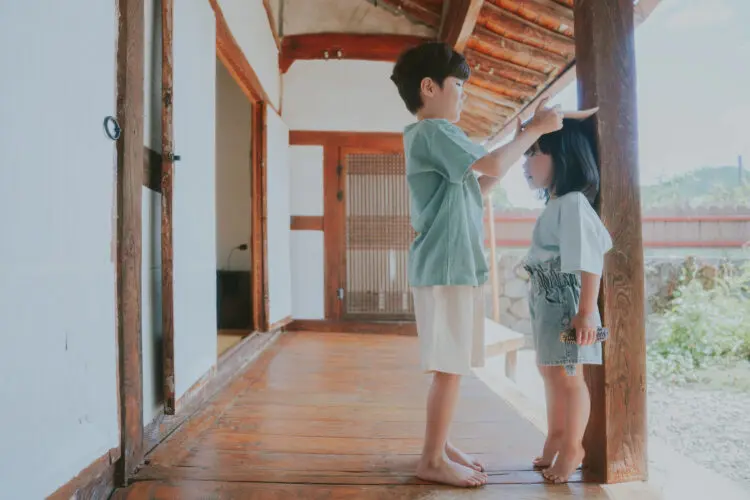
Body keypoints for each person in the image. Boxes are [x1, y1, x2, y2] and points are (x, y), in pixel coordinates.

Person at [390, 41, 563, 488]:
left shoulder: (429, 138)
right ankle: (431, 459)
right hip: (447, 267)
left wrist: (523, 136)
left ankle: (441, 445)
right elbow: (492, 163)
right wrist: (533, 131)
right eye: (459, 86)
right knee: (450, 369)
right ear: (429, 88)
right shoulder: (436, 131)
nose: (464, 97)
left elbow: (478, 184)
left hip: (447, 266)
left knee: (450, 367)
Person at [521, 112, 613, 483]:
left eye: (534, 152)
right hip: (547, 300)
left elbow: (590, 258)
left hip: (567, 303)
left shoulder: (573, 203)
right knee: (549, 370)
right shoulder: (557, 204)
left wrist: (586, 311)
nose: (526, 163)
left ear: (563, 157)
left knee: (569, 375)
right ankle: (557, 435)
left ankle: (573, 445)